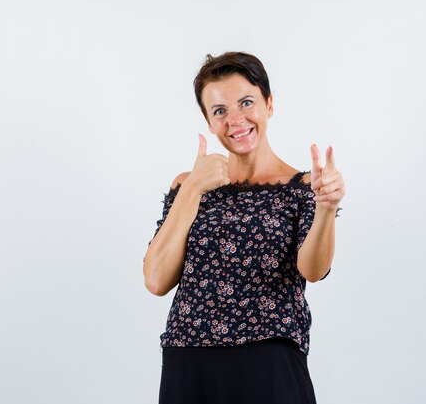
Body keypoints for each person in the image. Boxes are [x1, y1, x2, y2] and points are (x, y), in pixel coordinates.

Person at [143, 51, 345, 404]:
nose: (235, 120)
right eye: (219, 111)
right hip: (189, 361)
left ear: (269, 104)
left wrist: (326, 208)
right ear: (208, 121)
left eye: (246, 102)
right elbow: (156, 279)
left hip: (268, 361)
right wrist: (193, 188)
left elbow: (313, 270)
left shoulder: (303, 188)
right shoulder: (189, 185)